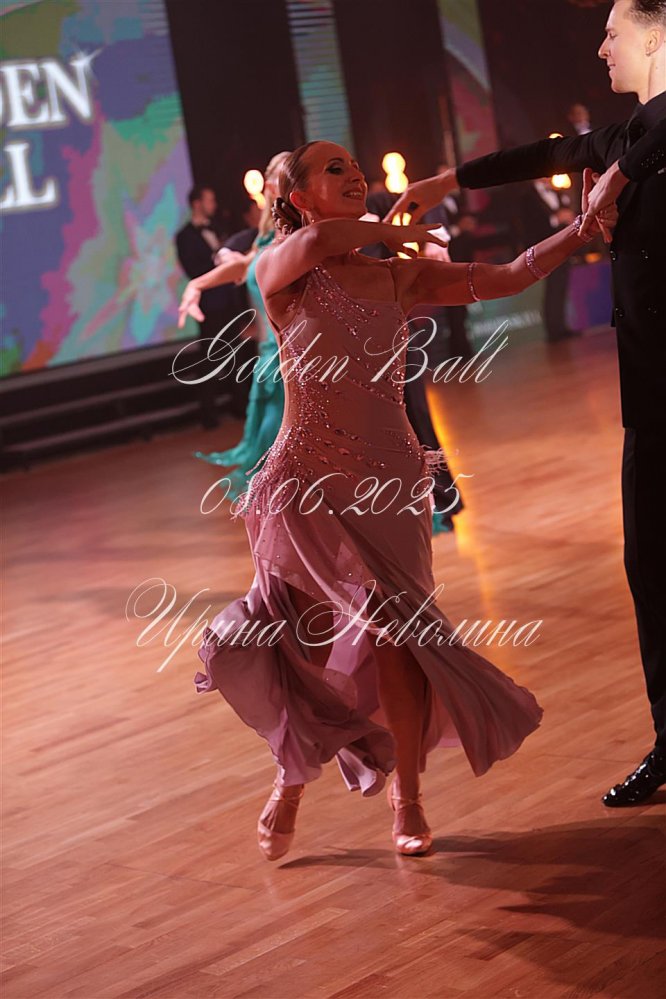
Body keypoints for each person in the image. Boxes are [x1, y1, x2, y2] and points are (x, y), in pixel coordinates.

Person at [192, 140, 606, 862]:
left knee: (399, 639)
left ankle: (407, 796)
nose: (354, 175)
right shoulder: (282, 269)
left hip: (390, 483)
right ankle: (292, 774)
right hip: (306, 480)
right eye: (336, 170)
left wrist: (581, 228)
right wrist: (393, 227)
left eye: (355, 167)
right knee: (303, 640)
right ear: (297, 198)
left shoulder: (396, 276)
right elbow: (317, 243)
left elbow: (510, 274)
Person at [386, 0, 666, 807]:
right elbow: (543, 153)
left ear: (658, 33)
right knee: (651, 569)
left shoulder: (641, 148)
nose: (601, 45)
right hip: (649, 399)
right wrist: (447, 180)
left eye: (614, 31)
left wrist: (626, 174)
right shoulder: (620, 138)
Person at [179, 153, 291, 501]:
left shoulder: (308, 233)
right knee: (271, 451)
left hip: (304, 357)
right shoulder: (264, 238)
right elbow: (244, 265)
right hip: (272, 356)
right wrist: (197, 284)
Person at [175, 186, 250, 418]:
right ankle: (209, 414)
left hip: (230, 301)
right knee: (209, 357)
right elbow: (193, 269)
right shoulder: (184, 236)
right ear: (197, 203)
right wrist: (218, 264)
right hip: (209, 305)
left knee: (236, 355)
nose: (214, 205)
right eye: (209, 200)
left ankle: (241, 408)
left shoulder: (219, 228)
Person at [518, 178, 577, 341]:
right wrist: (556, 218)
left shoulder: (557, 191)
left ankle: (561, 327)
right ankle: (553, 330)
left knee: (560, 286)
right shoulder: (526, 195)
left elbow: (566, 211)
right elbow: (529, 225)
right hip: (541, 250)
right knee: (552, 288)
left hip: (562, 248)